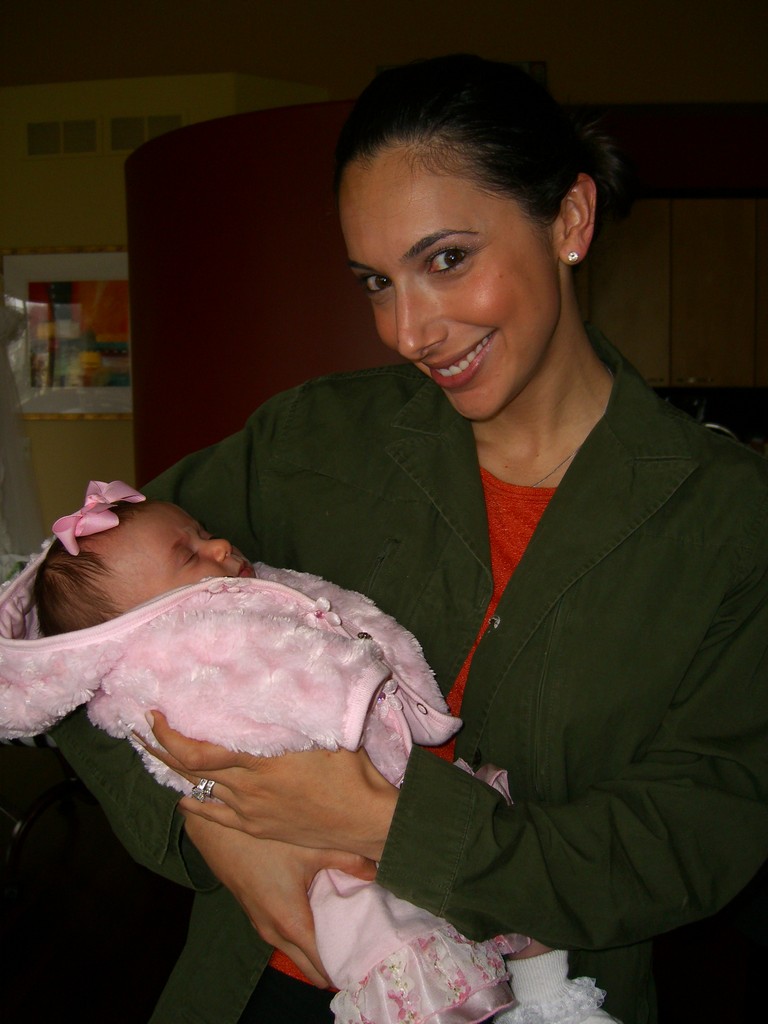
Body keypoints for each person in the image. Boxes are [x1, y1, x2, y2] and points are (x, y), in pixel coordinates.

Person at [18, 53, 768, 1024]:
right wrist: (208, 824)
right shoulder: (312, 442)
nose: (408, 332)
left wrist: (390, 824)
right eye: (376, 280)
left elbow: (695, 835)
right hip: (261, 989)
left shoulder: (727, 519)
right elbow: (60, 625)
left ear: (570, 220)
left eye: (445, 259)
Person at [0, 482, 616, 1024]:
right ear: (134, 625)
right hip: (328, 868)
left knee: (504, 874)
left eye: (205, 533)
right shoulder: (169, 669)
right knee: (398, 948)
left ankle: (551, 1004)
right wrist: (208, 814)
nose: (221, 546)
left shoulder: (252, 593)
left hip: (403, 802)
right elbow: (209, 731)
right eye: (189, 554)